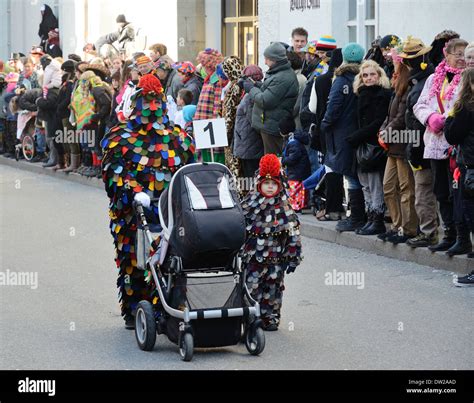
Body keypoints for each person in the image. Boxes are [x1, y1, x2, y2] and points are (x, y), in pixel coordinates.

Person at [101, 74, 195, 328]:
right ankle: (135, 311)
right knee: (134, 260)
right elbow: (113, 172)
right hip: (134, 213)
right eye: (148, 101)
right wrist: (133, 192)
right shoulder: (120, 136)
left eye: (157, 101)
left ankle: (171, 307)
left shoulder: (178, 137)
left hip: (171, 212)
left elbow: (188, 171)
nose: (152, 107)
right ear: (138, 102)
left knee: (173, 259)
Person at [414, 38, 469, 256]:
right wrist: (430, 118)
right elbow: (419, 104)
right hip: (434, 142)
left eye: (465, 54)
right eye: (457, 53)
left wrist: (445, 119)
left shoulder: (467, 79)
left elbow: (461, 106)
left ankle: (461, 236)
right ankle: (448, 234)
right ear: (446, 54)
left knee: (456, 192)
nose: (461, 58)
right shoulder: (432, 78)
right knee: (440, 191)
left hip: (455, 143)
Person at [240, 154, 303, 331]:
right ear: (258, 184)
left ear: (279, 185)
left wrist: (292, 257)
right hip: (252, 260)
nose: (269, 187)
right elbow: (238, 229)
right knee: (252, 287)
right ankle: (251, 316)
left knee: (273, 290)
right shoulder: (249, 206)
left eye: (273, 184)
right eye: (266, 183)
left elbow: (293, 235)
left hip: (275, 260)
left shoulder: (285, 209)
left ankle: (270, 318)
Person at [321, 43, 367, 232]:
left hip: (343, 134)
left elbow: (333, 107)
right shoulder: (365, 76)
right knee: (360, 174)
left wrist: (324, 125)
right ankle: (361, 215)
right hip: (361, 132)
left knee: (350, 174)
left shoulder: (340, 79)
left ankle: (356, 216)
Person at [401, 37, 439, 248]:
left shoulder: (425, 81)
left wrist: (415, 148)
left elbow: (418, 120)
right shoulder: (421, 79)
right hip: (422, 143)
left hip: (424, 145)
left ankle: (429, 233)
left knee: (424, 192)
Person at [346, 60, 391, 235]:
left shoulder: (383, 95)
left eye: (372, 74)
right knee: (365, 184)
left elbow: (378, 122)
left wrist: (356, 136)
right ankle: (371, 217)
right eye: (365, 75)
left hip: (374, 145)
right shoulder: (360, 94)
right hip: (362, 145)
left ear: (379, 76)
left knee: (374, 184)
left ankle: (377, 219)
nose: (369, 78)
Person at [378, 60, 419, 244]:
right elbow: (390, 116)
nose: (393, 64)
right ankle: (397, 225)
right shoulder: (398, 85)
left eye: (396, 62)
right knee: (388, 187)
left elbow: (401, 118)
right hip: (393, 144)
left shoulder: (408, 86)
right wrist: (383, 130)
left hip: (401, 144)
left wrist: (386, 133)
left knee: (406, 188)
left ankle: (408, 228)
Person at [240, 42, 298, 156]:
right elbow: (270, 90)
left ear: (275, 60)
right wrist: (255, 84)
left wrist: (250, 89)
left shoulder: (282, 77)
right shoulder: (279, 73)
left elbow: (264, 100)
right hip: (270, 124)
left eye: (267, 59)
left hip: (273, 127)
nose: (265, 62)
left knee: (273, 162)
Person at [444, 67, 474, 261]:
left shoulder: (465, 107)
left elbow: (451, 135)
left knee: (471, 213)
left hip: (470, 166)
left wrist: (450, 117)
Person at [233, 64, 265, 193]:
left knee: (250, 176)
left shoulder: (250, 97)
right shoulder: (252, 94)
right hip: (249, 141)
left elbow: (253, 120)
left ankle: (250, 202)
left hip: (249, 142)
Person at [194, 48, 225, 163]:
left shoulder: (217, 81)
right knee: (205, 158)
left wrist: (214, 124)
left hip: (210, 126)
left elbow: (217, 105)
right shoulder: (209, 80)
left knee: (214, 159)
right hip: (204, 124)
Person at [281, 119, 311, 212]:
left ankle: (295, 206)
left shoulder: (293, 142)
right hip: (299, 170)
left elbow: (293, 158)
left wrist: (283, 160)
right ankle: (301, 204)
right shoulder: (293, 139)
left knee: (295, 189)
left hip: (296, 171)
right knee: (299, 189)